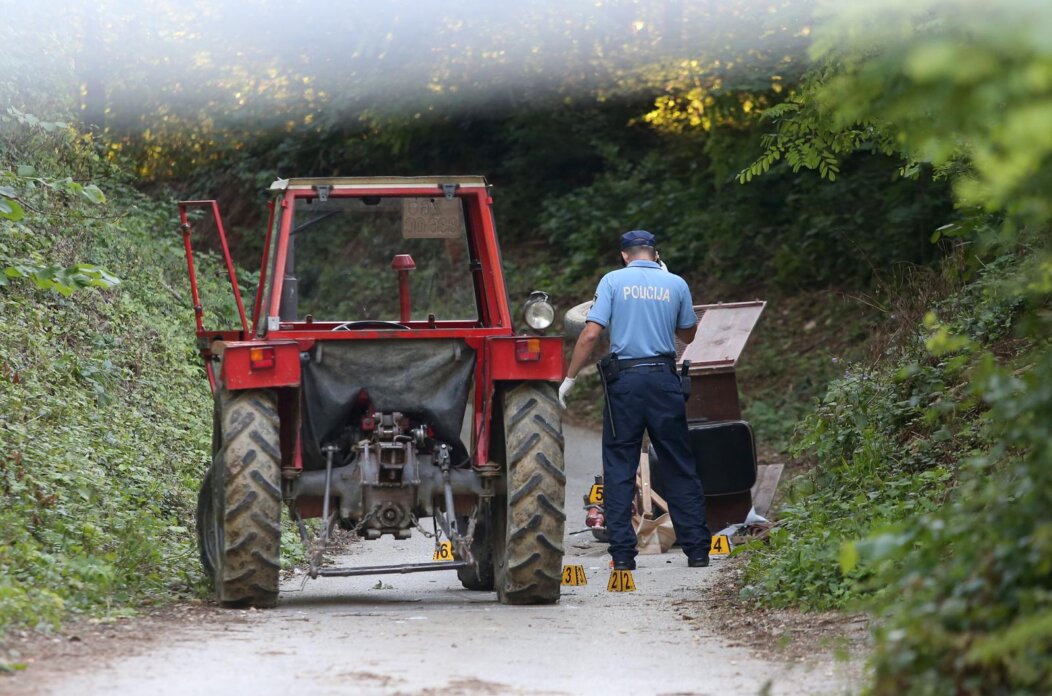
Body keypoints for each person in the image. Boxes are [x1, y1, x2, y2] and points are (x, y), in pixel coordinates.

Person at [559, 230, 712, 570]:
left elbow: (591, 332)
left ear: (625, 255)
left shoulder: (613, 281)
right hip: (663, 379)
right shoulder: (676, 283)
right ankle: (698, 551)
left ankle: (624, 556)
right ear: (655, 254)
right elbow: (688, 333)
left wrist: (569, 377)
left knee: (619, 465)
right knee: (678, 463)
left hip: (625, 382)